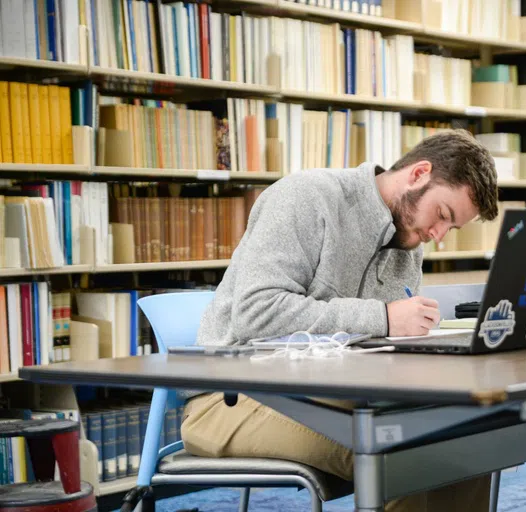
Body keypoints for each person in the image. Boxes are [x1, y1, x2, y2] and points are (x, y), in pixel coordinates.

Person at [181, 129, 500, 511]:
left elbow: (378, 346)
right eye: (442, 216)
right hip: (233, 399)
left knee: (467, 440)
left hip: (330, 396)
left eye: (452, 228)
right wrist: (381, 318)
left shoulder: (408, 240)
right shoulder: (304, 197)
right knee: (404, 454)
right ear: (419, 174)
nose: (439, 235)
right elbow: (255, 312)